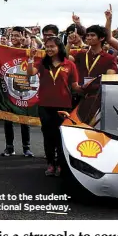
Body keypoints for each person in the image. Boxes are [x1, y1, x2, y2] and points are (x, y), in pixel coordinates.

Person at [27, 37, 81, 176]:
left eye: (52, 46)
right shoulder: (42, 63)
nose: (49, 49)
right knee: (48, 136)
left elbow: (75, 86)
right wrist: (31, 57)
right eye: (47, 47)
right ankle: (50, 164)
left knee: (61, 137)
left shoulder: (69, 64)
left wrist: (88, 88)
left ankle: (61, 165)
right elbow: (30, 72)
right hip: (45, 105)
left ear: (59, 48)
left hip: (64, 105)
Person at [2, 27, 34, 157]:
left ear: (23, 36)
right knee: (7, 119)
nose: (14, 38)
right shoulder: (6, 50)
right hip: (9, 88)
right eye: (12, 36)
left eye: (17, 35)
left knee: (24, 120)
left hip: (23, 87)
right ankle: (9, 147)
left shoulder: (27, 50)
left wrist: (31, 37)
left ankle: (26, 148)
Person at [73, 24, 118, 91]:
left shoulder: (110, 58)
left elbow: (109, 80)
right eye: (87, 35)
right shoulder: (81, 54)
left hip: (98, 95)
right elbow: (63, 59)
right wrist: (69, 43)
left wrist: (93, 87)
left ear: (102, 38)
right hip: (80, 95)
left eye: (92, 35)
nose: (89, 37)